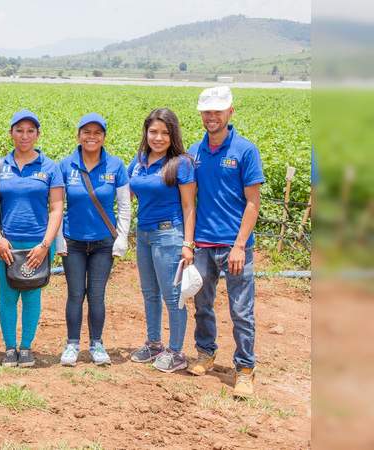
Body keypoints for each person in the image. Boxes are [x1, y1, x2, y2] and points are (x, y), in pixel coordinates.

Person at [186, 86, 264, 398]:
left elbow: (253, 202)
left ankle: (244, 368)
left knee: (241, 310)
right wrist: (189, 242)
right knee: (202, 305)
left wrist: (240, 245)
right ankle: (205, 352)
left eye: (218, 111)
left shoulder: (245, 151)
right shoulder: (194, 152)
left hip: (235, 246)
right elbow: (189, 200)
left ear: (230, 112)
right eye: (207, 111)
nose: (212, 117)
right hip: (203, 244)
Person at [0, 109, 64, 368]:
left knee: (32, 296)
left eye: (30, 131)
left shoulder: (50, 167)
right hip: (6, 244)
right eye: (19, 130)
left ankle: (27, 347)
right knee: (7, 296)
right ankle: (10, 348)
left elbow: (56, 209)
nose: (24, 135)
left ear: (38, 134)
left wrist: (45, 245)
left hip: (38, 245)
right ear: (11, 133)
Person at [57, 113, 131, 367]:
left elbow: (124, 205)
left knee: (97, 295)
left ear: (104, 137)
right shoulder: (66, 166)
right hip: (73, 242)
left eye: (97, 132)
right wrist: (59, 238)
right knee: (75, 294)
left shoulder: (116, 166)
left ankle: (97, 344)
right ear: (78, 136)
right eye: (86, 132)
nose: (92, 137)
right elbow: (56, 205)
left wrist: (122, 237)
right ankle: (72, 344)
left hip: (103, 243)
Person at [127, 108, 196, 373]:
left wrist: (187, 244)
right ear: (146, 132)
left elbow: (189, 206)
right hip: (143, 234)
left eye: (165, 133)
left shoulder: (180, 164)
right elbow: (125, 195)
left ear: (173, 135)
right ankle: (154, 343)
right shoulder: (138, 162)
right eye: (153, 131)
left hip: (169, 235)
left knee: (173, 295)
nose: (158, 138)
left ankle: (176, 351)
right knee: (149, 293)